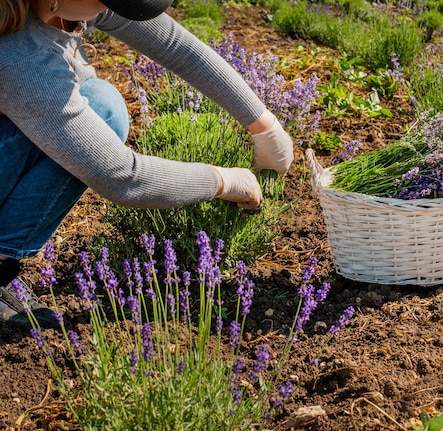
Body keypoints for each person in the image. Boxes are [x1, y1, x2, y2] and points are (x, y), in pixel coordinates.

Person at [0, 0, 295, 329]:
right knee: (101, 106)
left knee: (97, 100)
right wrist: (224, 181)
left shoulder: (66, 5)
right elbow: (122, 177)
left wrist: (264, 125)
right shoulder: (19, 53)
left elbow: (176, 46)